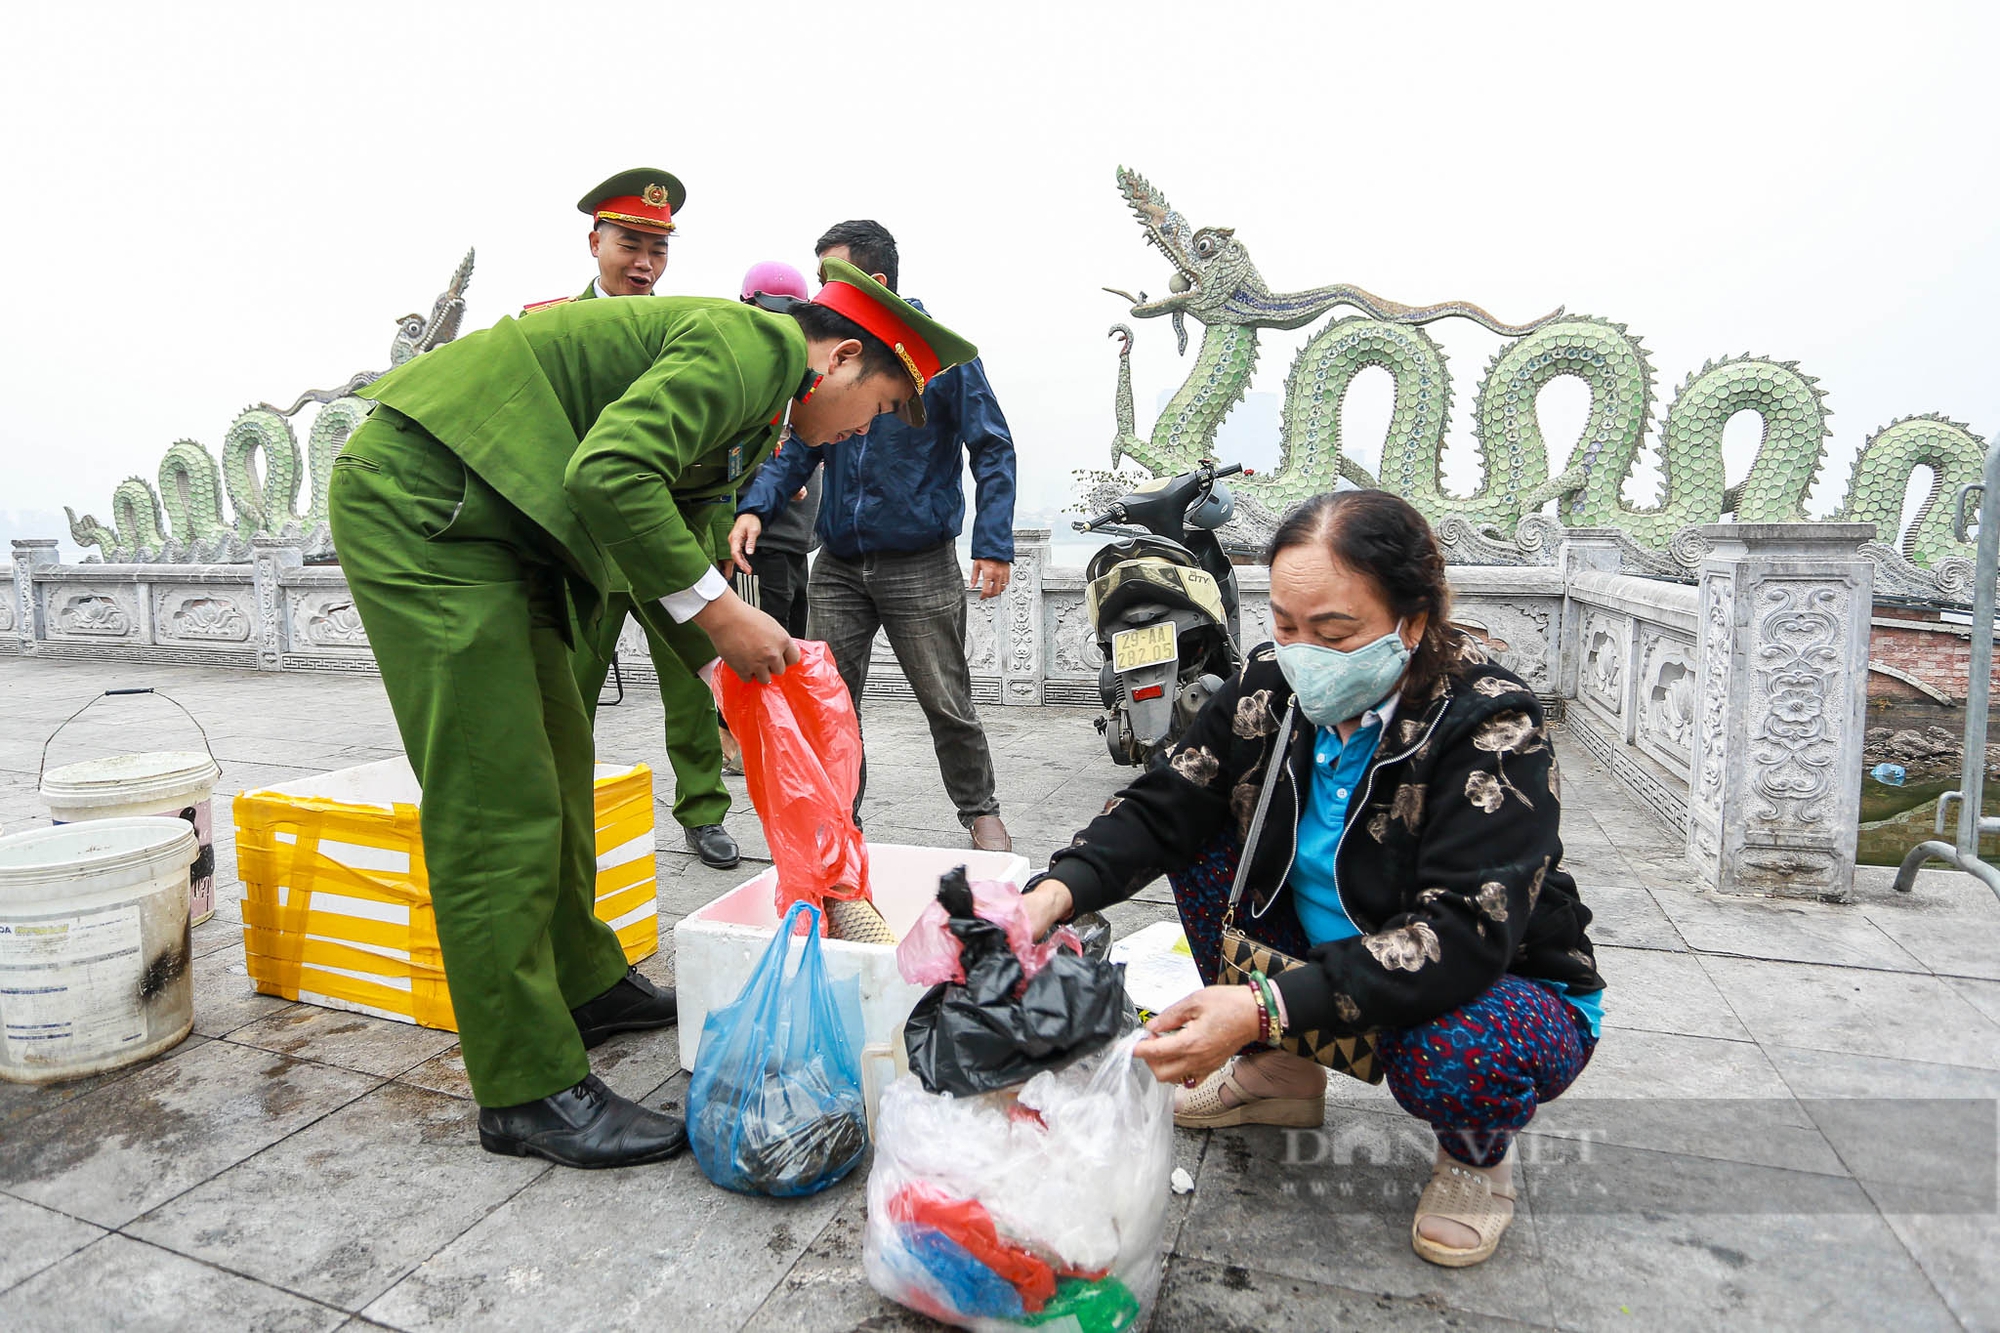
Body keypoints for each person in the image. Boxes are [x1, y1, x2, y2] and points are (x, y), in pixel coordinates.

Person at [330, 258, 976, 1168]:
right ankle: (525, 1087)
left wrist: (738, 681)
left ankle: (584, 983)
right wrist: (721, 616)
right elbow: (610, 475)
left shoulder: (757, 417)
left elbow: (673, 540)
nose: (854, 434)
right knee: (495, 797)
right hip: (433, 505)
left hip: (505, 527)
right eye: (874, 409)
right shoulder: (751, 348)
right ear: (836, 360)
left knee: (555, 765)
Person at [1018, 490, 1605, 1267]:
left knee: (1459, 1053)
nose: (1305, 656)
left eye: (1335, 632)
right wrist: (1051, 893)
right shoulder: (1271, 685)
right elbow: (1166, 803)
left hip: (1484, 983)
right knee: (1196, 839)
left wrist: (1259, 1005)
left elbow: (1461, 935)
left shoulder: (1491, 724)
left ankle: (1475, 1155)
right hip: (1318, 963)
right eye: (1287, 626)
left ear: (1414, 620)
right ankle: (1281, 1074)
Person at [731, 220, 1017, 852]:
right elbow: (799, 441)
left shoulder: (933, 358)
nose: (820, 293)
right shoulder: (831, 355)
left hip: (920, 560)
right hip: (837, 562)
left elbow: (991, 447)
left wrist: (993, 544)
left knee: (946, 699)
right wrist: (755, 506)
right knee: (829, 702)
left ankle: (980, 811)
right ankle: (839, 823)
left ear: (875, 282)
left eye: (833, 277)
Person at [526, 169, 742, 870]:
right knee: (566, 696)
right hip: (581, 551)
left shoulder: (686, 333)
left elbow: (718, 449)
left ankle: (703, 810)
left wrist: (723, 534)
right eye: (630, 244)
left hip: (665, 545)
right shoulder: (547, 326)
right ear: (595, 241)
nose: (645, 263)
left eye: (659, 248)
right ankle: (563, 815)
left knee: (695, 685)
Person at [735, 261, 819, 637]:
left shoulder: (805, 376)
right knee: (758, 648)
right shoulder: (737, 377)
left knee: (793, 648)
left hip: (797, 542)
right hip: (757, 542)